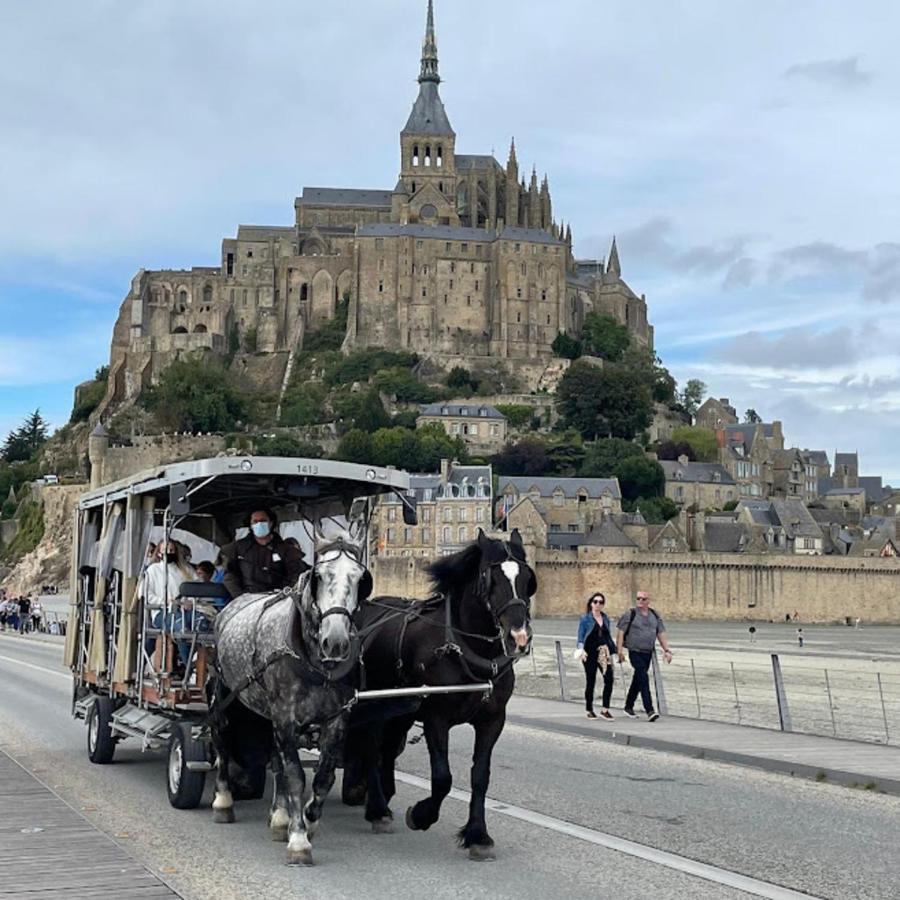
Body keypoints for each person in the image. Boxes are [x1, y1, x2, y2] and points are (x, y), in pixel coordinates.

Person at [220, 509, 307, 598]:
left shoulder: (286, 549)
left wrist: (285, 593)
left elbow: (296, 573)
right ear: (250, 525)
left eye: (263, 521)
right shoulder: (238, 548)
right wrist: (240, 597)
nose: (259, 524)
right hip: (247, 600)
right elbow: (230, 576)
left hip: (279, 599)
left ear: (271, 523)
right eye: (255, 521)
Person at [616, 590, 673, 722]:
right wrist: (619, 652)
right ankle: (650, 710)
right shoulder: (630, 614)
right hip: (634, 651)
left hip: (648, 652)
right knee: (643, 677)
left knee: (638, 678)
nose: (640, 601)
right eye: (638, 599)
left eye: (643, 599)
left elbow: (661, 632)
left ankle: (628, 706)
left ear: (648, 601)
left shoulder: (654, 615)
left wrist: (667, 650)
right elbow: (620, 633)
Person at [142, 540, 197, 668]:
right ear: (159, 553)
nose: (169, 553)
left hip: (186, 609)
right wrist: (165, 601)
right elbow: (147, 594)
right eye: (165, 550)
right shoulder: (153, 570)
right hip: (162, 612)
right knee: (180, 627)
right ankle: (188, 667)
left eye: (172, 550)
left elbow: (197, 587)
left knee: (201, 624)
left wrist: (190, 601)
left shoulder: (186, 569)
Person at [576, 592, 617, 719]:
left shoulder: (605, 618)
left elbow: (607, 635)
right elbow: (581, 637)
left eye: (601, 602)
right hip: (589, 653)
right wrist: (581, 650)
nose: (598, 604)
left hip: (603, 652)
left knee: (609, 678)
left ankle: (605, 709)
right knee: (591, 680)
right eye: (595, 601)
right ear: (591, 603)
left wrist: (614, 650)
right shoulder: (585, 619)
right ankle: (589, 709)